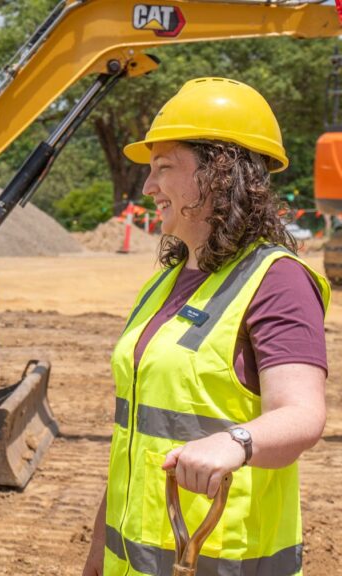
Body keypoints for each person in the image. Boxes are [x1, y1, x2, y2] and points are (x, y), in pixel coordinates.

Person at [82, 78, 330, 575]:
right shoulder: (165, 283)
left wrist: (234, 443)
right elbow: (135, 442)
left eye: (164, 169)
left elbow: (303, 414)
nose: (148, 187)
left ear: (220, 174)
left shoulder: (277, 280)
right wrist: (94, 562)